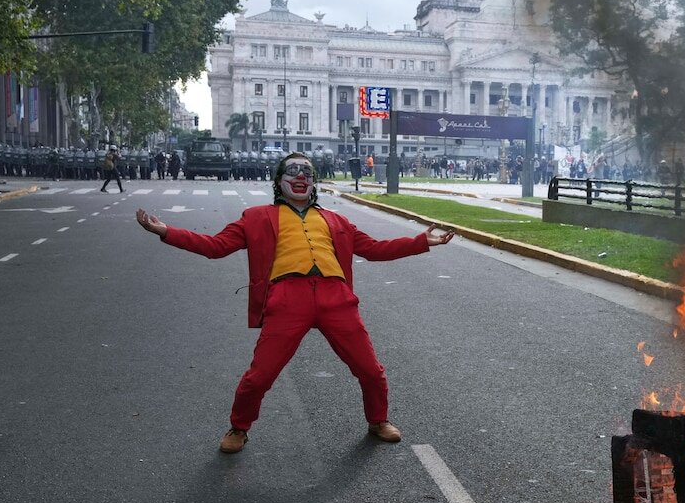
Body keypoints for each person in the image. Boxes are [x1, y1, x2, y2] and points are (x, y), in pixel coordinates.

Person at [134, 152, 455, 454]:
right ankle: (238, 427)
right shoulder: (256, 217)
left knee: (370, 370)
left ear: (314, 182)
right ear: (279, 181)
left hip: (336, 298)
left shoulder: (337, 220)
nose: (300, 176)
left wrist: (419, 243)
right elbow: (215, 246)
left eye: (307, 172)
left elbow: (373, 248)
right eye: (292, 171)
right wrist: (166, 232)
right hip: (286, 299)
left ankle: (378, 420)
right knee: (259, 376)